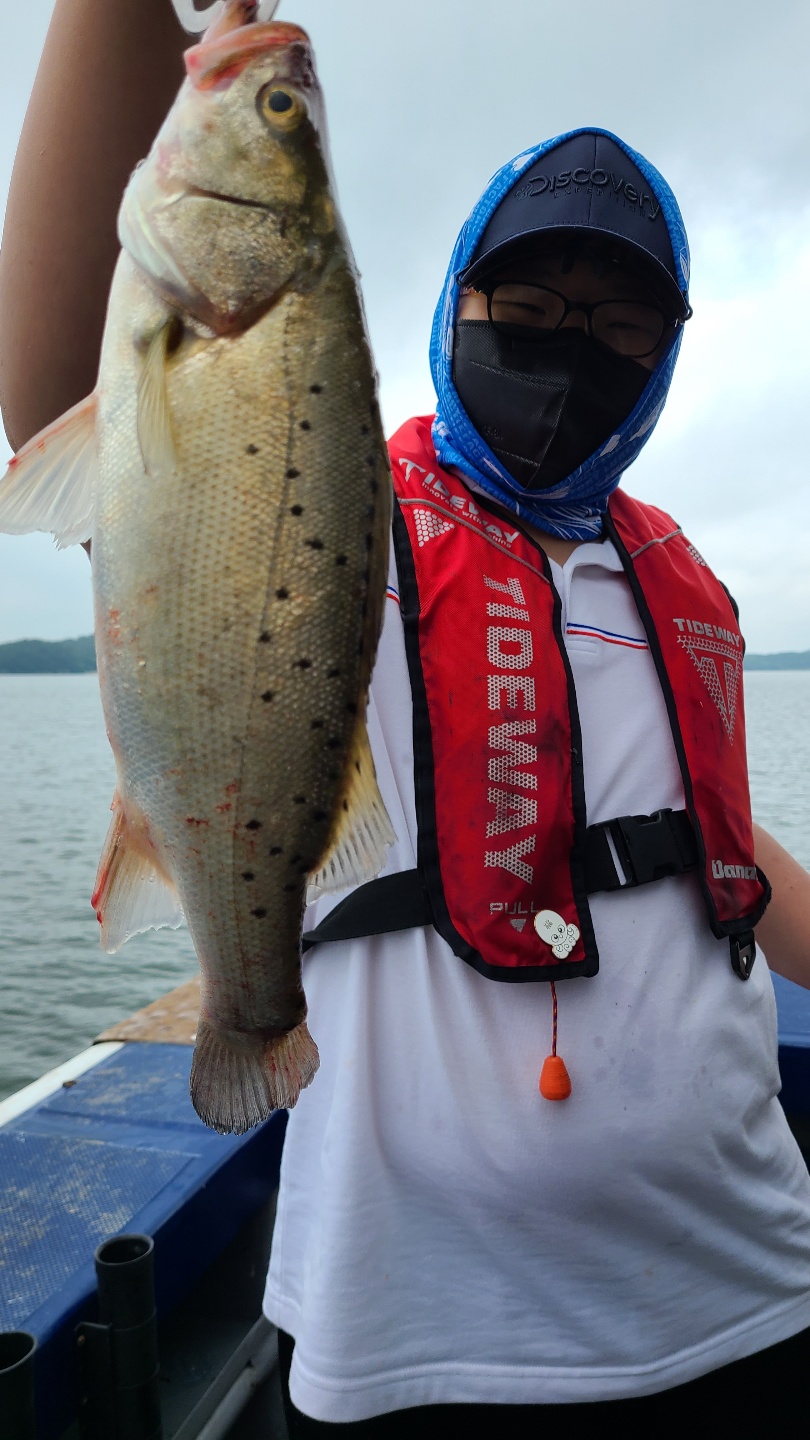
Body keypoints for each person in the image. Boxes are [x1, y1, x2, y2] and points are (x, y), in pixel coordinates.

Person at [2, 6, 810, 1437]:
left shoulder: (678, 578)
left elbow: (717, 844)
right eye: (531, 310)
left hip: (749, 1283)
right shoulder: (330, 507)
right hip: (415, 1327)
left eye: (624, 326)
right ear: (455, 304)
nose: (573, 350)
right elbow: (61, 384)